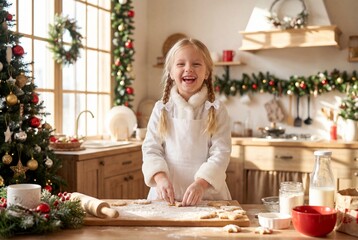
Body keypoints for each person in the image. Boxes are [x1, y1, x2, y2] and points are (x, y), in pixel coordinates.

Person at [142, 38, 232, 206]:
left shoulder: (217, 109)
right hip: (165, 195)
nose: (188, 69)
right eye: (181, 64)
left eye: (196, 64)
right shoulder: (161, 108)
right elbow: (151, 150)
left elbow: (221, 154)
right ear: (170, 72)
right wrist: (160, 178)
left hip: (208, 195)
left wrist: (201, 184)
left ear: (206, 73)